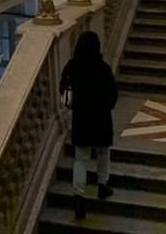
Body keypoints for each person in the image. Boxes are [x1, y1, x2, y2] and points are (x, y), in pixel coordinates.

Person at [60, 31, 118, 220]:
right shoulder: (102, 68)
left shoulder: (72, 66)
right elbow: (112, 95)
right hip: (100, 118)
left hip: (81, 118)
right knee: (103, 152)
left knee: (81, 158)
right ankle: (102, 185)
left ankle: (79, 197)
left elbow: (64, 91)